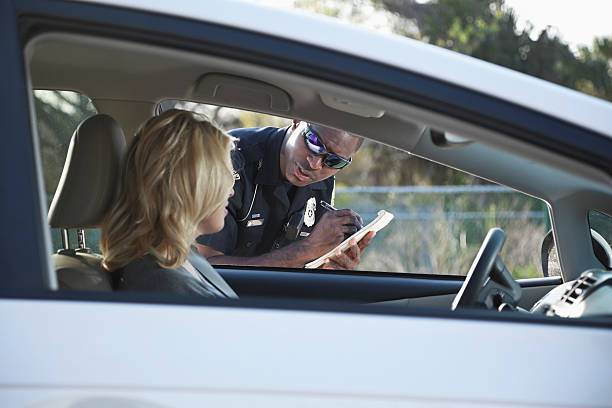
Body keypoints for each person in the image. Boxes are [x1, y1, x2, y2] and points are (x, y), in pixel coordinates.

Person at [196, 120, 375, 269]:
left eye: (334, 161)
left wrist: (327, 263)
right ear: (297, 121)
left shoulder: (324, 180)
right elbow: (203, 268)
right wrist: (305, 250)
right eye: (314, 142)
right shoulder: (231, 160)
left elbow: (302, 269)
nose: (315, 164)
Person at [100, 109, 237, 298]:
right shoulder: (163, 286)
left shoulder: (180, 256)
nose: (231, 191)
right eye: (222, 176)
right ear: (191, 185)